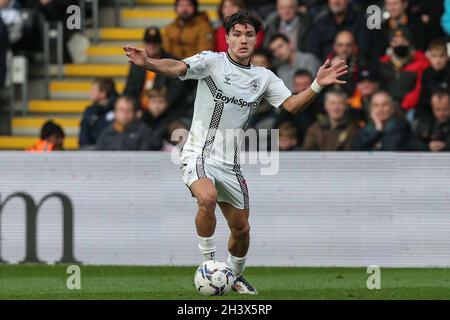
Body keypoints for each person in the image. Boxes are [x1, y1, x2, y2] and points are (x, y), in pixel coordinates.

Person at [124, 10, 348, 294]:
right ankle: (209, 266)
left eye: (249, 35)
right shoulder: (211, 62)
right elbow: (177, 67)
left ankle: (235, 275)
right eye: (237, 34)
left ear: (256, 40)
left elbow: (292, 106)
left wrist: (317, 85)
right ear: (227, 38)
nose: (243, 40)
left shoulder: (264, 78)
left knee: (242, 230)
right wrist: (149, 63)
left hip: (230, 164)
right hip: (198, 154)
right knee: (207, 198)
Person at [124, 27, 189, 114]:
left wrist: (162, 106)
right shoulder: (137, 64)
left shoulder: (171, 61)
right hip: (140, 112)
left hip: (165, 111)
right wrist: (136, 109)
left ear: (160, 43)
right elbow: (130, 90)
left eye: (155, 42)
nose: (152, 46)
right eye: (149, 42)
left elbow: (176, 91)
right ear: (144, 43)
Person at [378, 26, 430, 120]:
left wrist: (405, 105)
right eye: (395, 41)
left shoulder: (421, 62)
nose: (399, 44)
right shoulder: (383, 63)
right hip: (387, 107)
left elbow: (420, 88)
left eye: (403, 41)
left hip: (411, 108)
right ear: (390, 43)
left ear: (409, 42)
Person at [79, 78, 117, 149]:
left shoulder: (117, 110)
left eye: (93, 90)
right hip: (89, 151)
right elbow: (83, 136)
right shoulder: (90, 111)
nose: (90, 92)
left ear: (103, 93)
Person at [416, 38, 450, 119]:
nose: (438, 60)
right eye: (434, 56)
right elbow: (422, 98)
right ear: (429, 57)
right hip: (430, 111)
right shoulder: (426, 73)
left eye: (441, 56)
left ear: (447, 57)